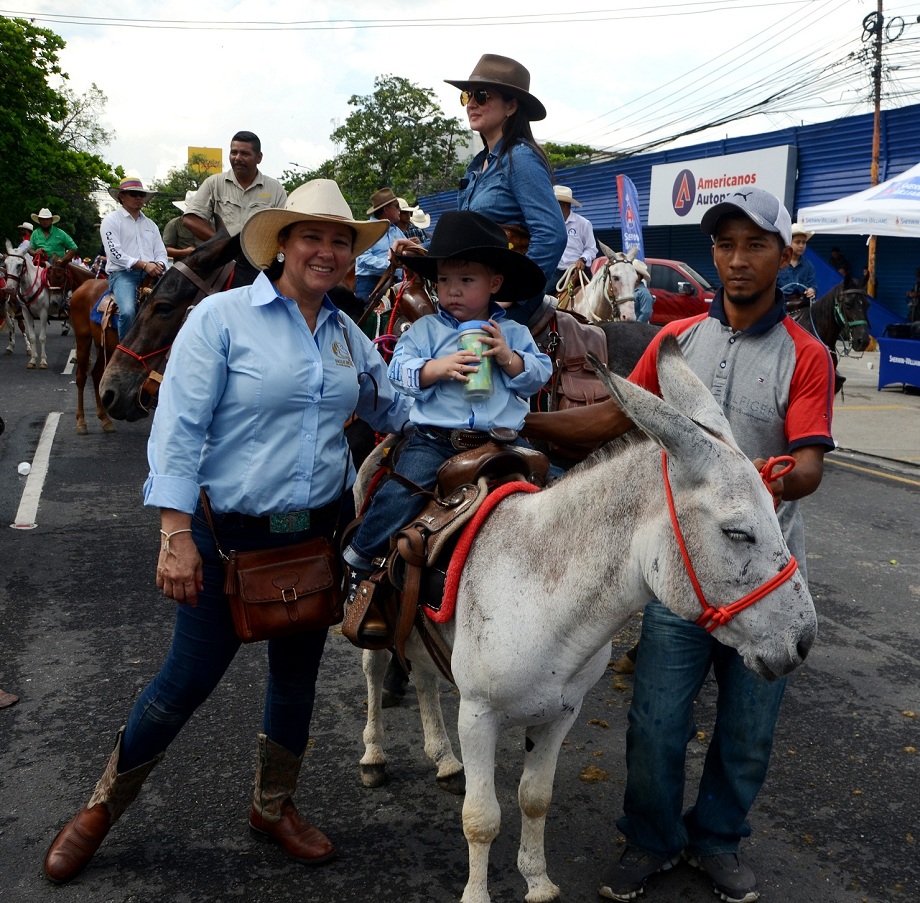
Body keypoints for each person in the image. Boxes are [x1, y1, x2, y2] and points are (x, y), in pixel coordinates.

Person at [42, 178, 413, 885]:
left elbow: (392, 406)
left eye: (341, 240)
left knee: (297, 680)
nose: (328, 252)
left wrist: (467, 366)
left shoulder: (345, 332)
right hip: (226, 539)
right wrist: (174, 533)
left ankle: (274, 807)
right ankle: (98, 809)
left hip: (313, 541)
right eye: (313, 237)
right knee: (183, 683)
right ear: (281, 244)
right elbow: (178, 432)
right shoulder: (222, 320)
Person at [524, 188, 835, 903]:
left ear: (784, 253)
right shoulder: (673, 345)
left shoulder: (806, 355)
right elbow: (609, 418)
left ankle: (719, 839)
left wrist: (763, 478)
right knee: (657, 720)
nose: (736, 260)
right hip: (687, 575)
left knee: (746, 730)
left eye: (755, 244)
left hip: (763, 578)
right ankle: (652, 837)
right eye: (724, 245)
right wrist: (521, 425)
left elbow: (811, 463)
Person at [342, 210, 552, 594]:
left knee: (553, 489)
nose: (452, 290)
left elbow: (541, 373)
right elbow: (398, 370)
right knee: (400, 493)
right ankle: (358, 559)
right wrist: (434, 369)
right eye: (443, 280)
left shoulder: (514, 332)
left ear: (495, 283)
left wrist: (508, 357)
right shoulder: (425, 330)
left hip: (504, 438)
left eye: (466, 280)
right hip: (438, 440)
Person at [446, 54, 566, 325]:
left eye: (482, 96)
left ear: (511, 106)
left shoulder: (521, 157)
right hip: (475, 294)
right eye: (467, 97)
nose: (472, 104)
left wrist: (513, 294)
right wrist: (417, 249)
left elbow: (552, 234)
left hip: (505, 307)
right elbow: (466, 235)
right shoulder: (477, 165)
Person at [183, 131, 287, 287]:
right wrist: (223, 244)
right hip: (222, 266)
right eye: (234, 152)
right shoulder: (214, 183)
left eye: (245, 153)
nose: (237, 158)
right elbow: (190, 218)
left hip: (261, 266)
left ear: (259, 157)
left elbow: (285, 228)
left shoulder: (275, 188)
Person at [100, 176, 168, 340]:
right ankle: (124, 352)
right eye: (133, 194)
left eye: (141, 195)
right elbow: (115, 254)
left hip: (152, 274)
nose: (139, 198)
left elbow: (161, 251)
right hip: (123, 275)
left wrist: (159, 264)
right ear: (122, 196)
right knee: (128, 311)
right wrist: (144, 265)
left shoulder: (151, 225)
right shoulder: (111, 221)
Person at [353, 188, 409, 300]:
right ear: (387, 209)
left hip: (395, 282)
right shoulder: (368, 230)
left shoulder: (396, 231)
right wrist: (391, 265)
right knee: (366, 315)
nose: (400, 209)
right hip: (369, 282)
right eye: (397, 206)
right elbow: (362, 260)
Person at [546, 185, 599, 294]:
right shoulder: (550, 223)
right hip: (558, 271)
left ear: (565, 206)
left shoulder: (583, 223)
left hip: (579, 269)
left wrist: (582, 259)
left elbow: (591, 249)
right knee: (541, 296)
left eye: (555, 205)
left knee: (595, 297)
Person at [777, 222, 817, 303]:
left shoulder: (808, 266)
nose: (801, 245)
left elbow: (813, 286)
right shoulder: (778, 263)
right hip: (780, 304)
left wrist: (812, 290)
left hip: (801, 304)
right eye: (797, 242)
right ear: (789, 242)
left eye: (804, 242)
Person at [162, 190, 202, 262]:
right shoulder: (174, 224)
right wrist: (184, 252)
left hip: (208, 266)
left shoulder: (210, 223)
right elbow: (164, 250)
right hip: (183, 266)